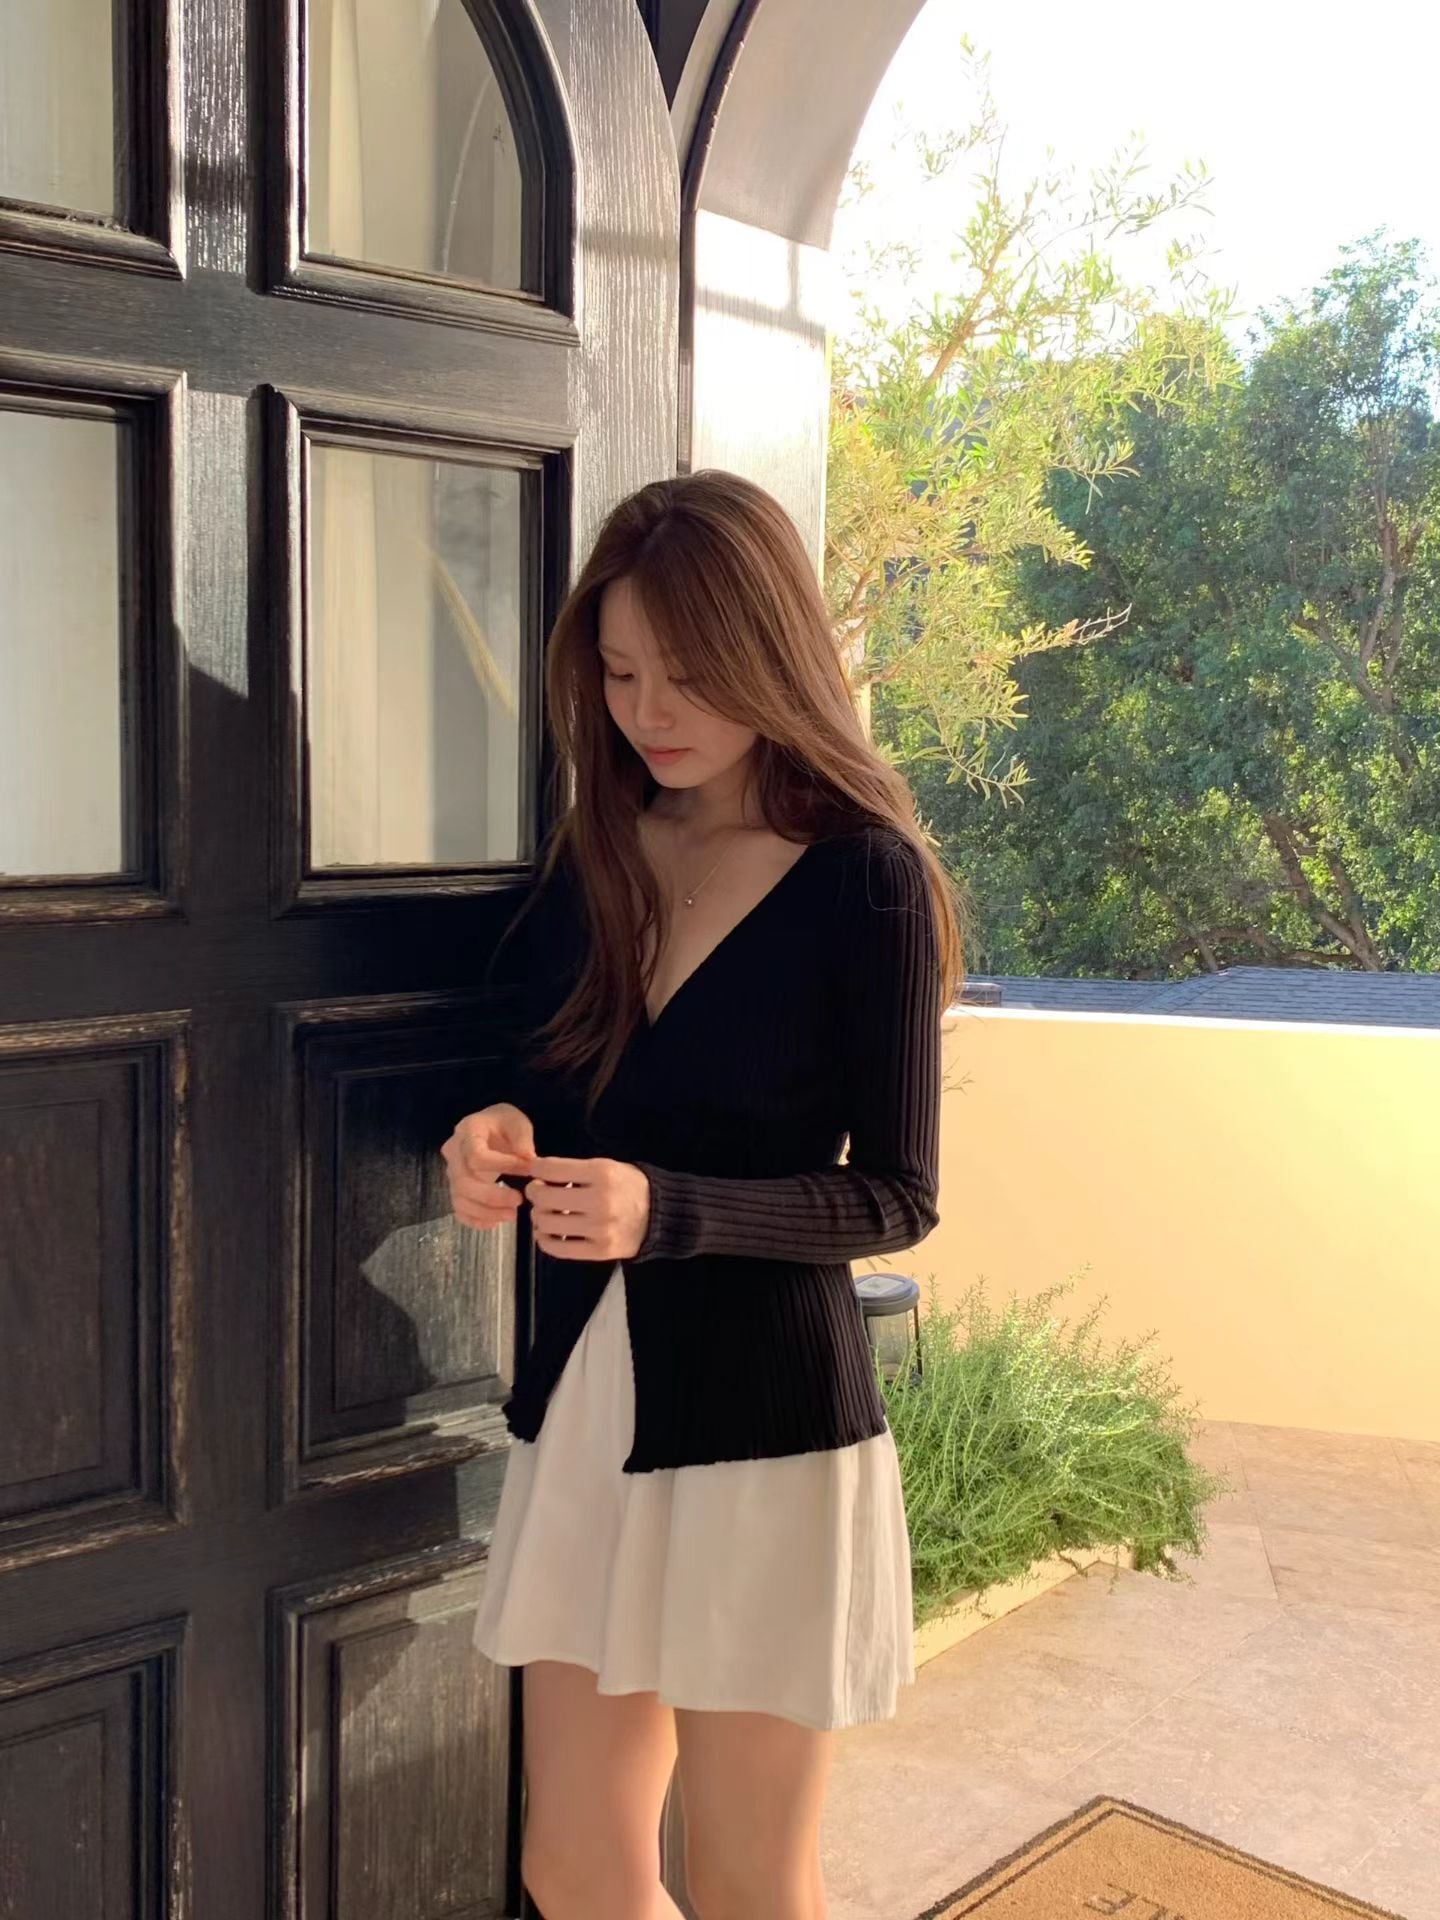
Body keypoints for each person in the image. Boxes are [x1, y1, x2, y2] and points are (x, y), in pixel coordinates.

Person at [444, 469, 965, 1920]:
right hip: (589, 1405)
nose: (648, 711)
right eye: (620, 674)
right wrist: (490, 1136)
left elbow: (898, 1198)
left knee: (745, 1880)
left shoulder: (866, 879)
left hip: (766, 1431)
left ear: (769, 653)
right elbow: (548, 1096)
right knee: (572, 1864)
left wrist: (666, 1213)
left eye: (687, 673)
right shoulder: (596, 857)